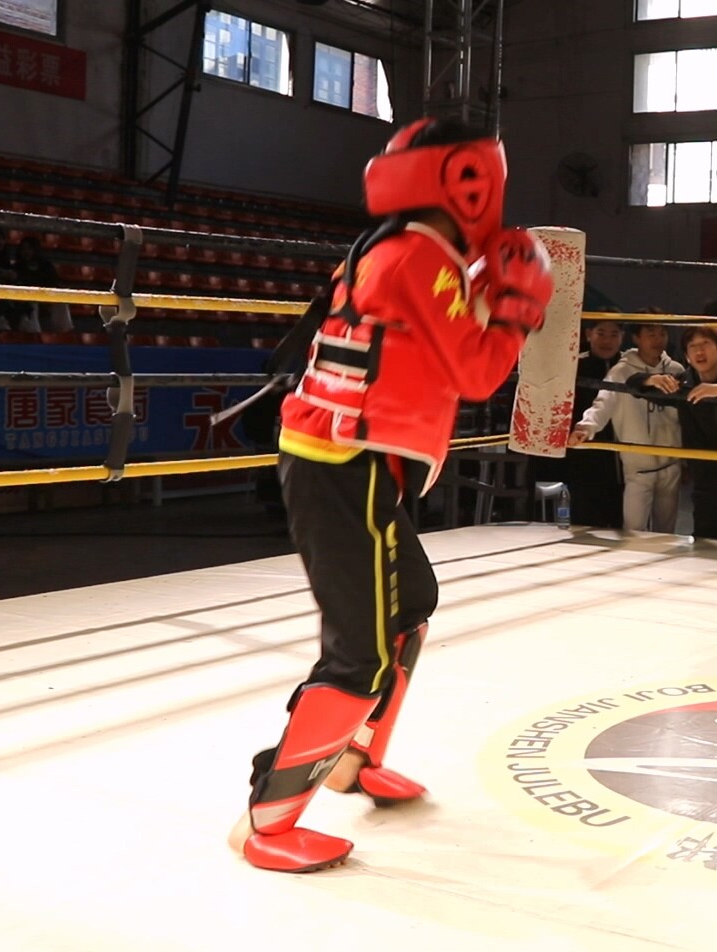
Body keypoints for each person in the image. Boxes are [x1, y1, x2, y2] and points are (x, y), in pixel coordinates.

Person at [228, 119, 552, 873]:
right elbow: (477, 373)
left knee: (412, 604)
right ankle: (267, 821)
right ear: (470, 182)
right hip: (341, 463)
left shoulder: (404, 249)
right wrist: (516, 307)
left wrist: (488, 289)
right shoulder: (417, 257)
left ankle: (353, 759)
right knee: (360, 657)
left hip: (348, 460)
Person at [629, 326, 717, 543]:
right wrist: (650, 380)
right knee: (707, 539)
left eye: (705, 344)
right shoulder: (683, 384)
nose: (699, 352)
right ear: (686, 356)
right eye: (693, 347)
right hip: (707, 475)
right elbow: (633, 384)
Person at [568, 315, 685, 532]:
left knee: (667, 532)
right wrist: (585, 427)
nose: (658, 339)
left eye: (662, 333)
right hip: (638, 468)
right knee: (633, 531)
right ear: (636, 338)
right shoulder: (621, 371)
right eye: (651, 334)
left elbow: (685, 417)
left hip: (671, 463)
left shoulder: (676, 369)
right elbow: (603, 403)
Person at [531, 317, 625, 529]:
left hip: (622, 460)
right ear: (588, 334)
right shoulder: (573, 366)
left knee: (623, 523)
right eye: (601, 333)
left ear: (623, 337)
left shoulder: (628, 367)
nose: (607, 341)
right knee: (583, 521)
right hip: (582, 456)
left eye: (614, 334)